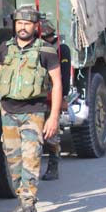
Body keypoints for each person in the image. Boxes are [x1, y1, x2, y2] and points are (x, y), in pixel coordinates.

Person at [0, 6, 61, 212]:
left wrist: (53, 117)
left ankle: (28, 208)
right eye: (19, 23)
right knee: (14, 162)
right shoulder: (4, 48)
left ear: (36, 26)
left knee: (31, 159)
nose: (22, 27)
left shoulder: (46, 51)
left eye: (27, 24)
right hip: (7, 112)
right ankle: (21, 200)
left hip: (34, 112)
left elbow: (57, 83)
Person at [39, 19, 71, 181]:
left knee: (51, 135)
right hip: (35, 97)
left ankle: (53, 165)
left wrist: (63, 97)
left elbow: (64, 77)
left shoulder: (61, 50)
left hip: (52, 97)